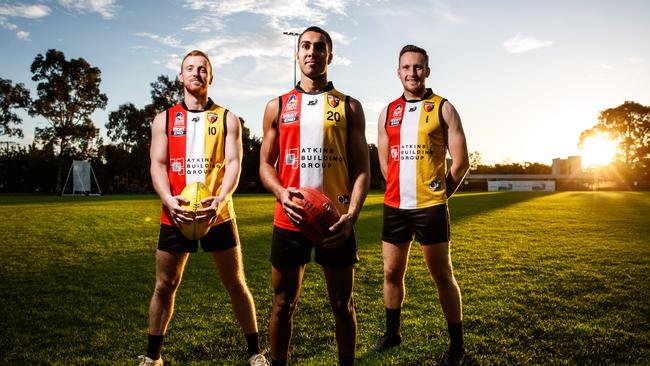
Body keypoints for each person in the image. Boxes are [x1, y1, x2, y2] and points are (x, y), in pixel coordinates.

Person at [140, 50, 268, 366]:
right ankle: (152, 356)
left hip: (218, 213)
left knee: (236, 282)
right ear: (181, 76)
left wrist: (221, 199)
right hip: (176, 212)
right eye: (190, 68)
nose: (196, 73)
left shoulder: (227, 118)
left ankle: (256, 353)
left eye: (203, 69)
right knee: (164, 285)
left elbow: (235, 164)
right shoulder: (164, 119)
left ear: (211, 77)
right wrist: (169, 201)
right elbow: (157, 165)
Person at [259, 26, 370, 366]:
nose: (311, 52)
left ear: (330, 56)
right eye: (305, 46)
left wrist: (351, 216)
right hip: (290, 218)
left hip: (335, 221)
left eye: (319, 47)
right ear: (297, 55)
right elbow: (264, 164)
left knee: (342, 303)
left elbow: (363, 169)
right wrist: (280, 193)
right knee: (282, 303)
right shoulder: (276, 106)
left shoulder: (349, 106)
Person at [368, 45, 469, 366]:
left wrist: (440, 196)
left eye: (418, 67)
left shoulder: (444, 108)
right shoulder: (388, 112)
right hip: (396, 207)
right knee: (391, 272)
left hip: (431, 207)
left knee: (442, 275)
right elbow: (384, 162)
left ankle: (457, 346)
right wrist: (400, 189)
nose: (412, 72)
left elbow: (461, 162)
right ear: (398, 72)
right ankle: (392, 333)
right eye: (406, 67)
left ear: (427, 71)